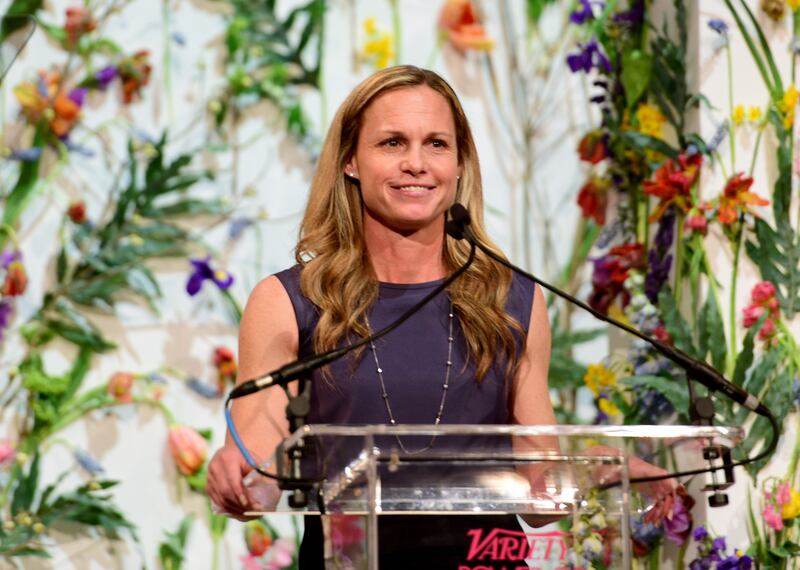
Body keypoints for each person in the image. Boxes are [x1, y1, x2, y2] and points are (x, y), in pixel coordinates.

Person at [205, 65, 668, 567]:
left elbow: (538, 496)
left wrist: (593, 469)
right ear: (350, 162)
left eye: (437, 144)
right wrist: (238, 475)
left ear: (461, 163)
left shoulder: (511, 300)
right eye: (391, 143)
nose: (416, 164)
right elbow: (260, 479)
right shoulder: (289, 301)